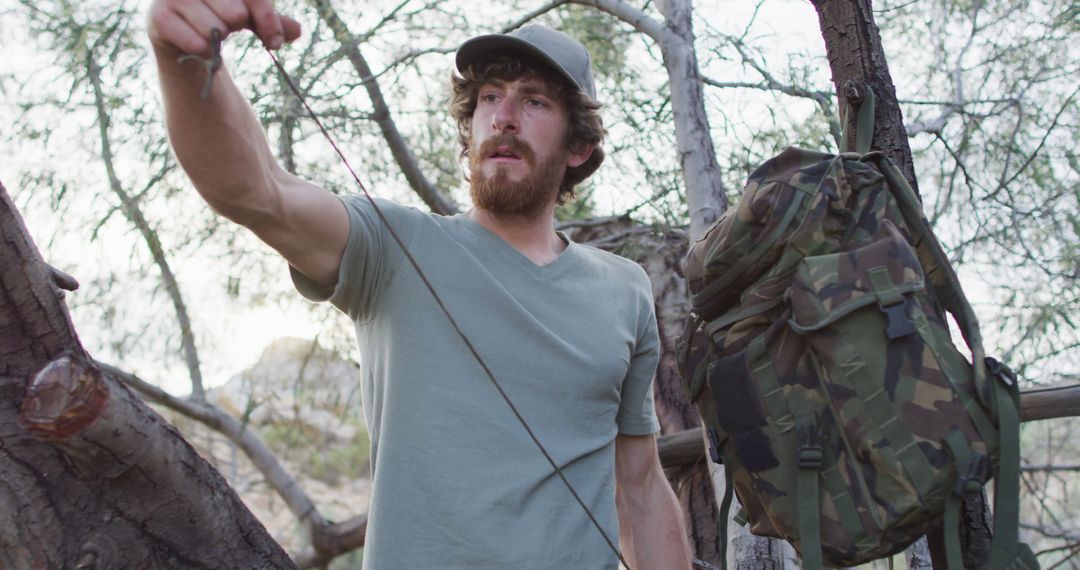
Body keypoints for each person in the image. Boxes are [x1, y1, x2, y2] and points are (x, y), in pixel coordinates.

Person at [147, 1, 692, 568]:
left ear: (578, 147)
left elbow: (641, 488)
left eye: (533, 100)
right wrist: (183, 57)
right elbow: (255, 189)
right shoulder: (391, 247)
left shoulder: (624, 289)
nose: (503, 116)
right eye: (488, 97)